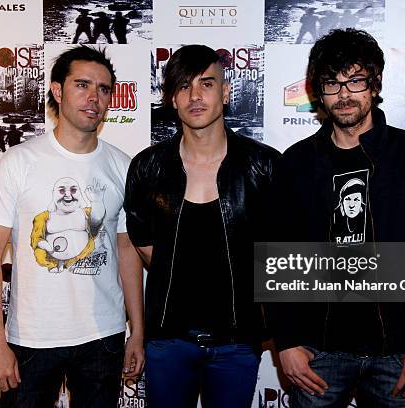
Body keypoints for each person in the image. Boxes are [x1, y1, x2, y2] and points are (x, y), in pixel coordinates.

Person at [263, 29, 405, 407]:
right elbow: (276, 257)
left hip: (397, 352)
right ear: (317, 92)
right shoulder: (297, 163)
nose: (344, 94)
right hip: (319, 352)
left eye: (355, 80)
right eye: (332, 84)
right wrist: (285, 341)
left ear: (374, 84)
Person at [0, 45, 144, 408]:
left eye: (103, 88)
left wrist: (138, 332)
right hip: (34, 338)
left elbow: (127, 250)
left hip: (104, 336)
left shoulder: (122, 166)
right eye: (82, 85)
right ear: (57, 90)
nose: (93, 97)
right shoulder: (19, 162)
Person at [124, 44, 280, 407]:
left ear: (225, 92)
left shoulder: (264, 166)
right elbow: (147, 249)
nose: (195, 96)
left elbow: (280, 255)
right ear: (172, 99)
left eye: (207, 84)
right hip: (167, 342)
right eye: (183, 86)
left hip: (238, 344)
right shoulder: (147, 168)